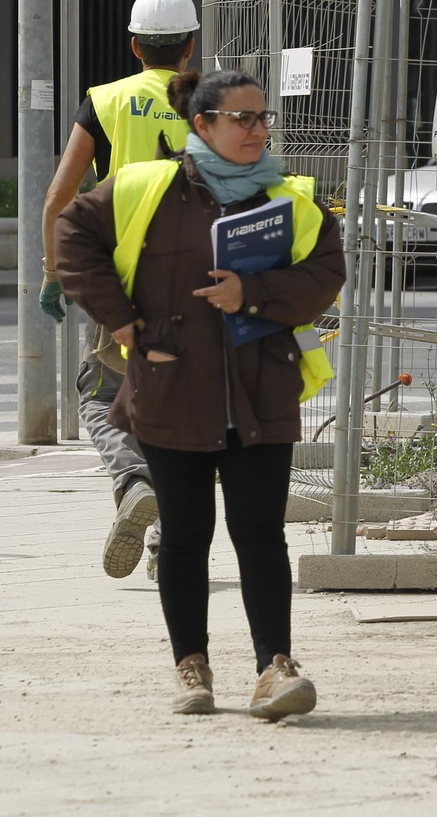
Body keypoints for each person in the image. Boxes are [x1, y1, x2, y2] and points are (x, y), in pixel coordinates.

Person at [54, 68, 345, 718]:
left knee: (261, 533)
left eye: (263, 117)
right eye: (243, 118)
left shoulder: (289, 199)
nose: (258, 129)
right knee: (185, 536)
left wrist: (256, 294)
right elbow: (73, 235)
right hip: (170, 387)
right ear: (202, 125)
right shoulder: (144, 188)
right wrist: (124, 321)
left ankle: (276, 667)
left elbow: (328, 272)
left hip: (261, 391)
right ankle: (193, 668)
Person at [40, 0, 199, 581]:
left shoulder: (103, 102)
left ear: (134, 46)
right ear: (190, 48)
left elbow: (59, 199)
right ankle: (169, 545)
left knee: (104, 396)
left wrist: (55, 275)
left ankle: (133, 480)